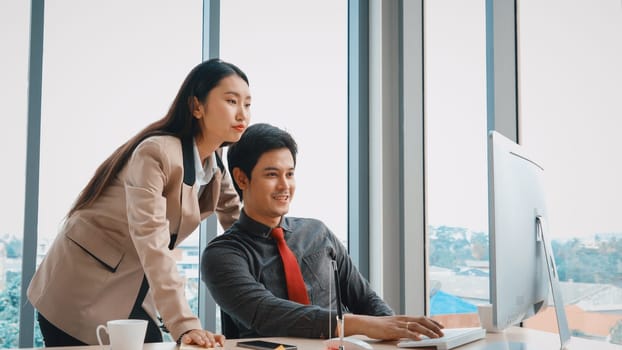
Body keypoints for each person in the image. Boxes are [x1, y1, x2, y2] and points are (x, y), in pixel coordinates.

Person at [27, 58, 251, 348]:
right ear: (197, 106)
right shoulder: (156, 153)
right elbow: (152, 240)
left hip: (130, 290)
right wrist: (185, 325)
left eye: (247, 104)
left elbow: (242, 224)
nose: (242, 113)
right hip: (79, 289)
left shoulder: (214, 167)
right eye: (231, 101)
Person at [201, 123, 444, 341]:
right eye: (272, 174)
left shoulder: (316, 232)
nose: (285, 185)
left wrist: (398, 333)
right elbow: (266, 313)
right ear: (242, 179)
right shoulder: (223, 255)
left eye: (290, 173)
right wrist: (362, 325)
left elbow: (365, 299)